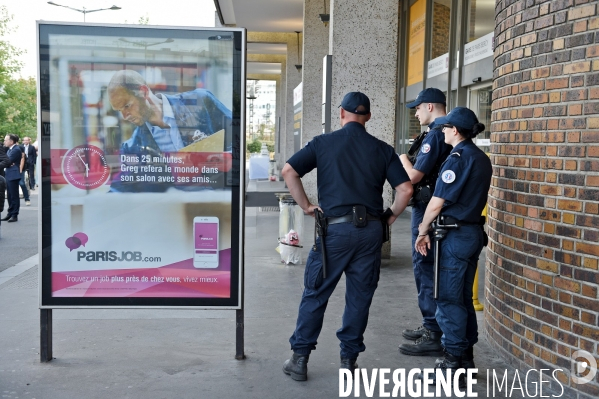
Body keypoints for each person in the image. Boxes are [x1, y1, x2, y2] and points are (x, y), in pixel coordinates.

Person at [281, 92, 413, 381]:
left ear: (341, 113)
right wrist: (388, 217)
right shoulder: (382, 149)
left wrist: (305, 206)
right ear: (367, 117)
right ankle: (349, 362)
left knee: (316, 292)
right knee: (359, 297)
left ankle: (300, 360)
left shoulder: (322, 143)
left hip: (334, 232)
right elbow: (405, 190)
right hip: (370, 233)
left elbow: (289, 171)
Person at [414, 107, 492, 385]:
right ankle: (465, 361)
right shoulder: (480, 158)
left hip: (455, 236)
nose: (443, 131)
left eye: (446, 127)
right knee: (462, 300)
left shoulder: (458, 158)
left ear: (455, 131)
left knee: (448, 299)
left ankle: (452, 364)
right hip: (471, 233)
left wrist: (422, 231)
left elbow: (436, 203)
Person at [107, 70, 233, 192]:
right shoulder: (133, 146)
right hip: (179, 209)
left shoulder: (201, 102)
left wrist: (226, 157)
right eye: (119, 110)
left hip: (221, 201)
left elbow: (239, 137)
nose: (125, 116)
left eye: (127, 106)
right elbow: (121, 187)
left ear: (143, 92)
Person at [397, 88, 452, 357]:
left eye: (417, 108)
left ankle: (433, 331)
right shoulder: (441, 131)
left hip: (427, 208)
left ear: (430, 106)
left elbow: (415, 176)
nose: (416, 113)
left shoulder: (436, 134)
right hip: (429, 206)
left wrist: (403, 159)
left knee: (424, 265)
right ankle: (431, 324)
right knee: (425, 266)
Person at [1, 134, 23, 223]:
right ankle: (10, 213)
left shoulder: (16, 149)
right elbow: (6, 161)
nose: (4, 142)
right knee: (9, 196)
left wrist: (8, 163)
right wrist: (8, 163)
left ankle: (14, 214)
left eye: (6, 140)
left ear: (11, 141)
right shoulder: (10, 149)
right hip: (9, 174)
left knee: (14, 196)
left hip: (13, 175)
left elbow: (7, 161)